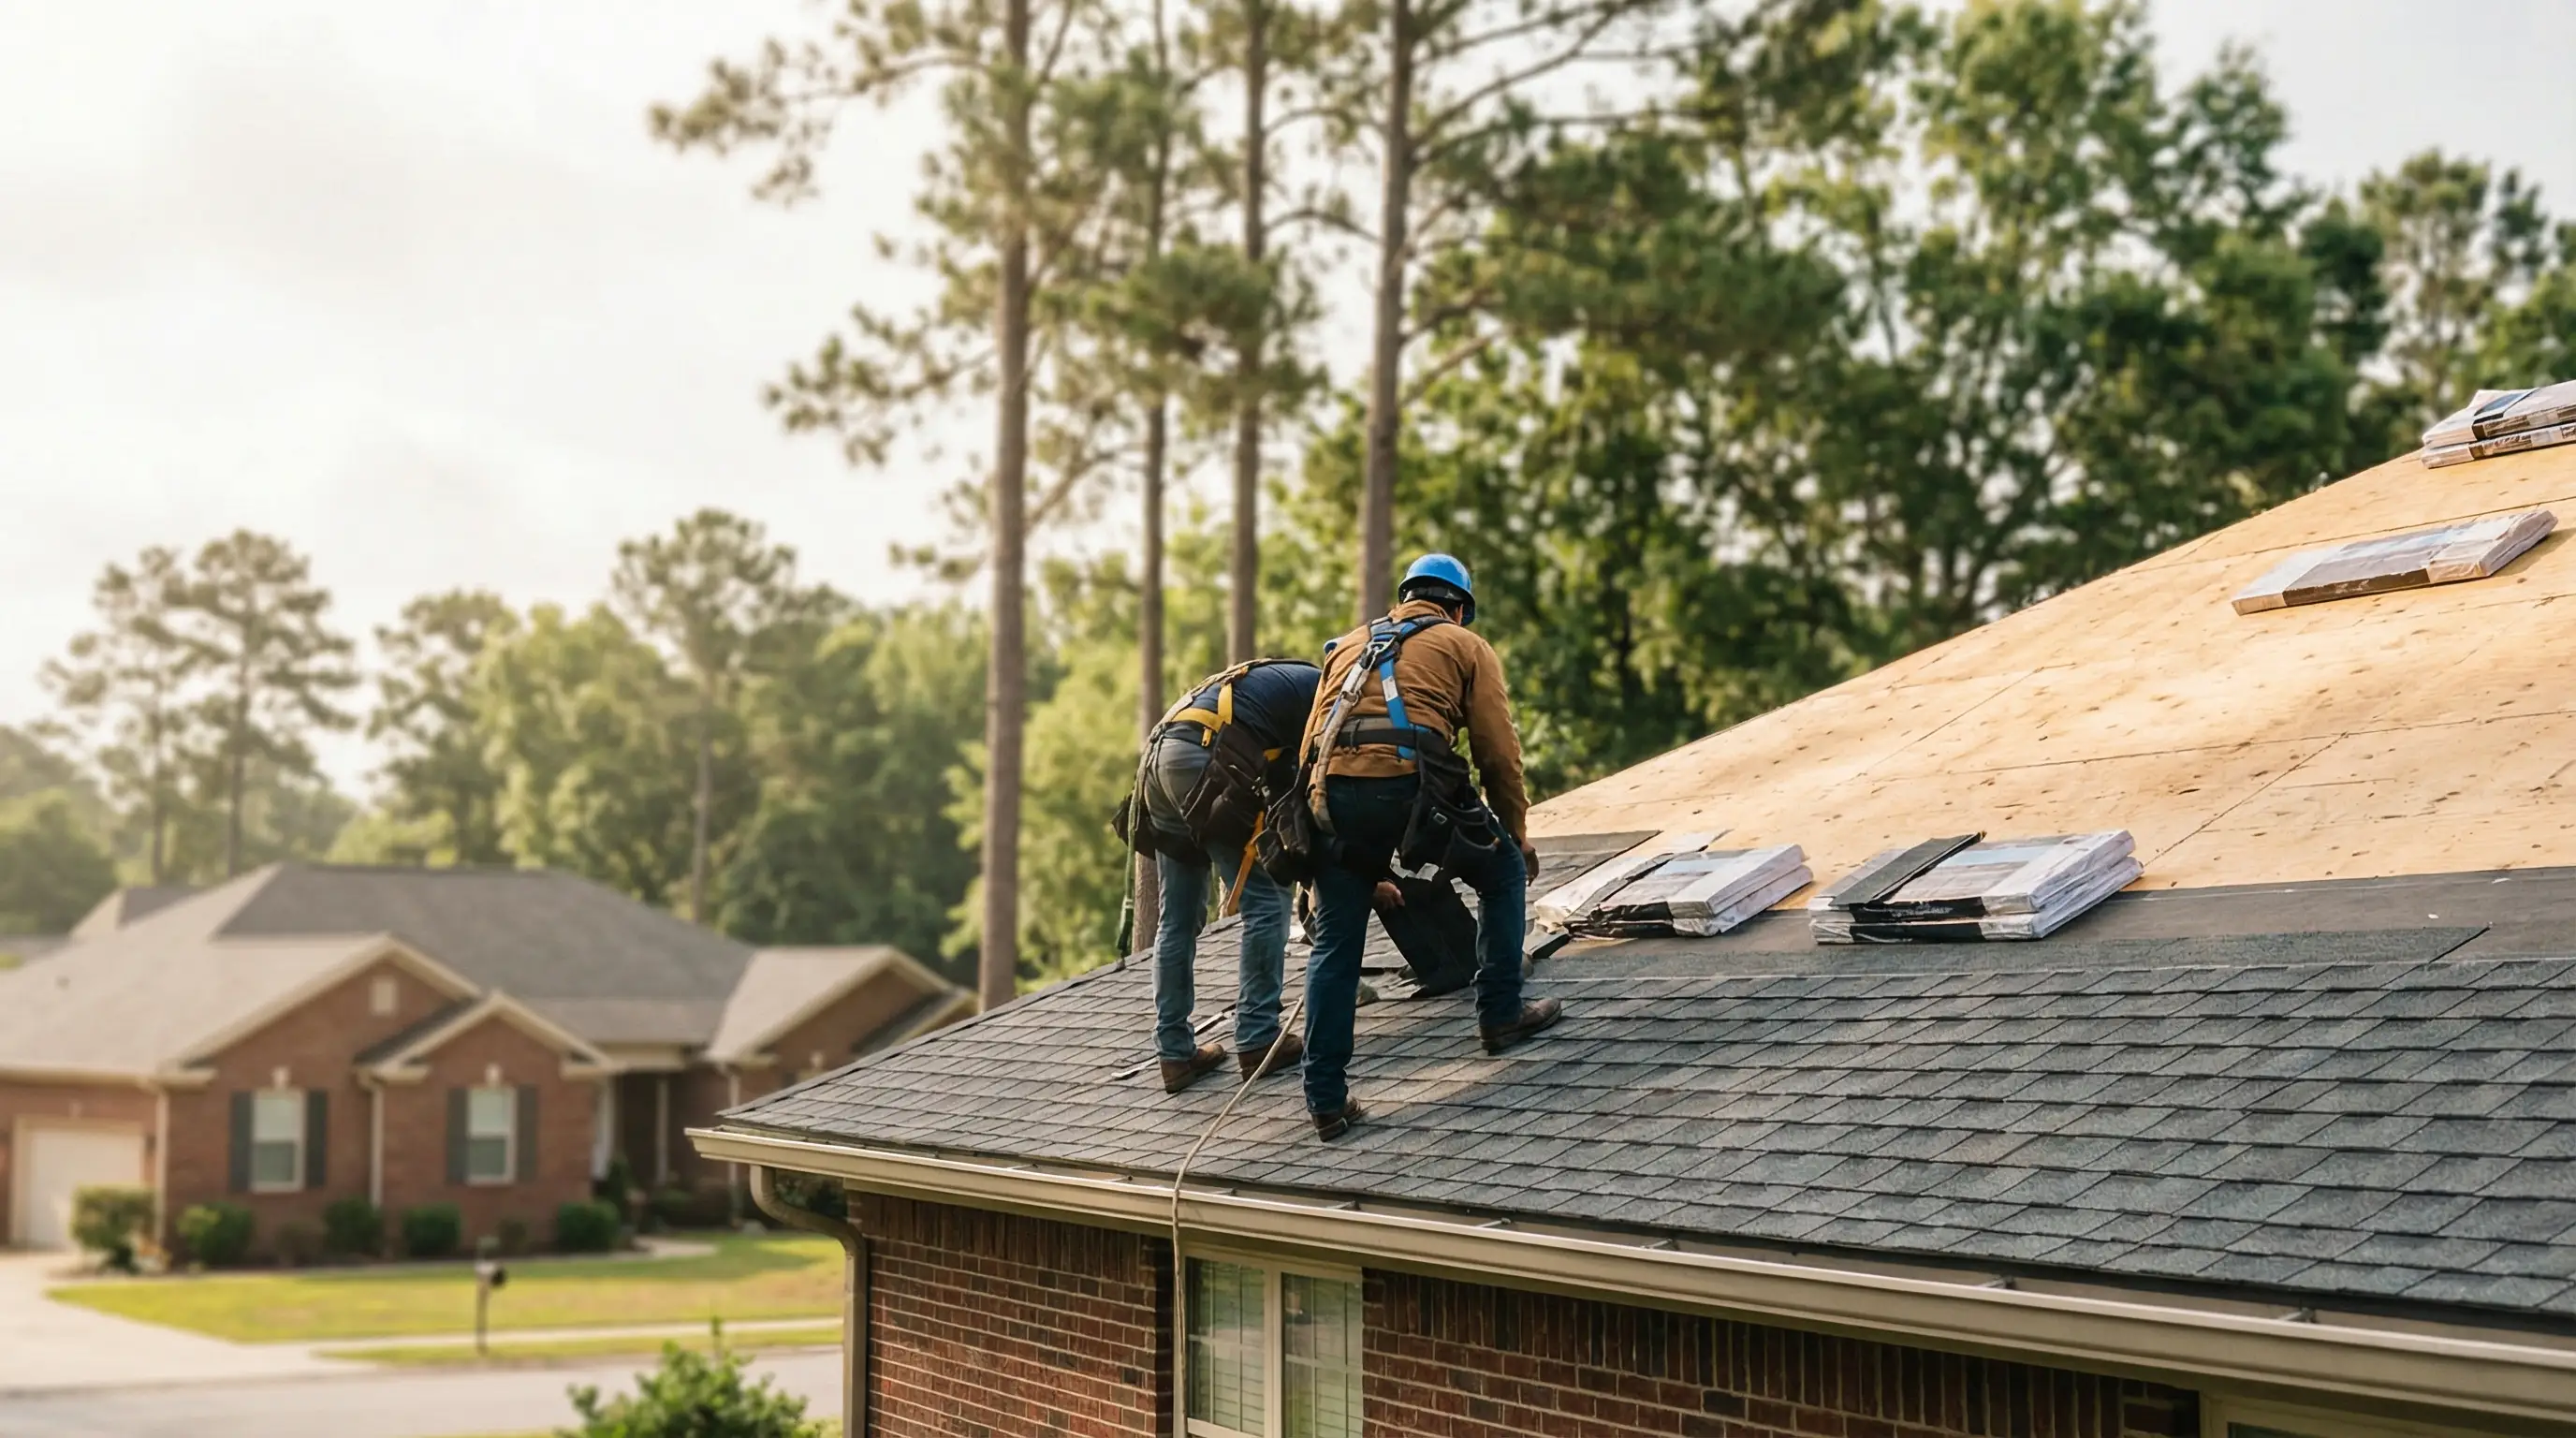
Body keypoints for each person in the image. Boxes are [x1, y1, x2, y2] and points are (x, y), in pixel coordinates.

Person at [1293, 553, 1560, 1138]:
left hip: (1331, 801)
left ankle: (1325, 1100)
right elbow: (1497, 752)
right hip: (1410, 792)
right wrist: (1513, 834)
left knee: (1336, 941)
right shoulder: (1465, 646)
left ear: (1406, 596)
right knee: (1503, 874)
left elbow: (1311, 748)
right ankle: (1500, 1013)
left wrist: (1314, 865)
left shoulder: (1346, 647)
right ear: (1459, 607)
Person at [1128, 657, 1323, 1093]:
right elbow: (1314, 789)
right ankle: (1258, 1039)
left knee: (1177, 919)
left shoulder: (1279, 684)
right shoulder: (1323, 693)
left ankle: (1175, 1055)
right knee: (1267, 901)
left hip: (1159, 762)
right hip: (1199, 757)